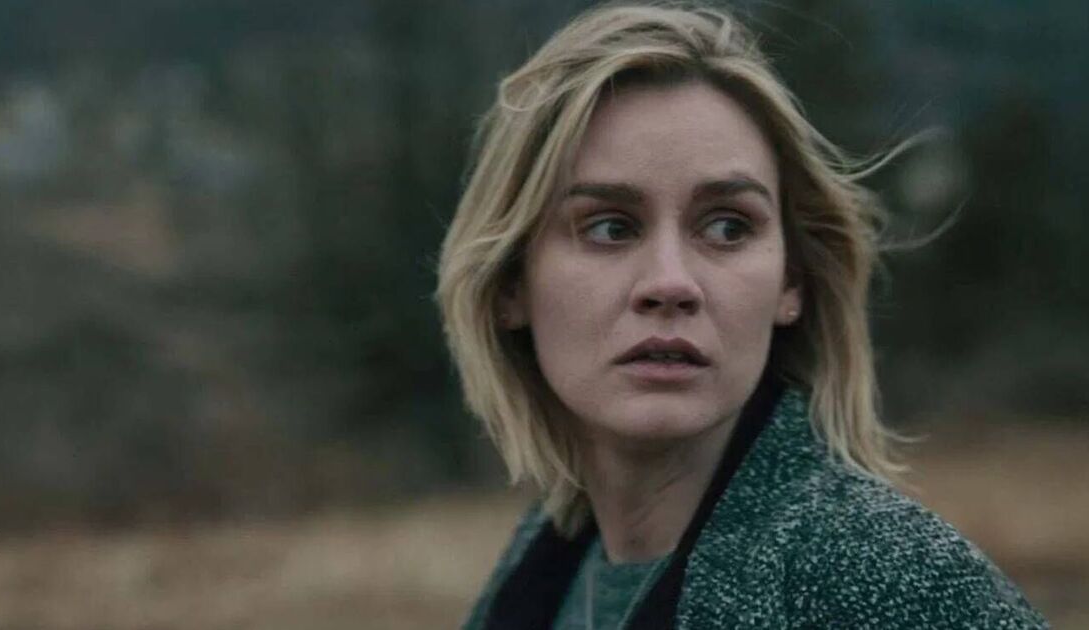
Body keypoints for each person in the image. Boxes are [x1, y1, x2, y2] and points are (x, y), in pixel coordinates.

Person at [436, 3, 1048, 628]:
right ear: (510, 283)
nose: (670, 283)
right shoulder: (541, 574)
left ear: (791, 280)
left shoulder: (896, 583)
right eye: (610, 228)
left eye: (727, 227)